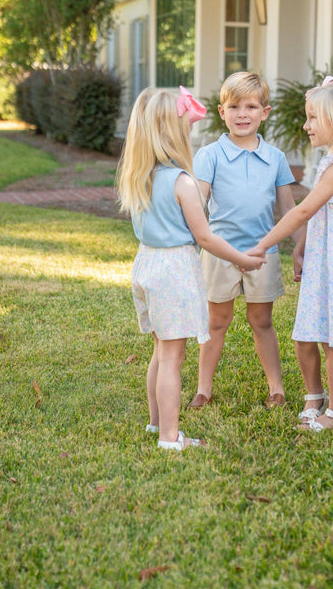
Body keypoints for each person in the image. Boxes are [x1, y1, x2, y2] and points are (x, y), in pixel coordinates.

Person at [117, 87, 265, 452]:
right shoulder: (181, 182)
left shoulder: (140, 176)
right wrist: (242, 260)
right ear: (173, 134)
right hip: (174, 271)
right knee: (172, 357)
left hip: (147, 265)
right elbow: (207, 238)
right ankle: (170, 438)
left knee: (160, 350)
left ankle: (156, 423)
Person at [249, 79, 333, 431]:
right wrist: (301, 247)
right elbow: (321, 217)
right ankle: (315, 395)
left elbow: (303, 211)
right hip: (323, 260)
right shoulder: (330, 160)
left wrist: (264, 244)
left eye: (312, 118)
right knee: (305, 332)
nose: (306, 126)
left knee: (331, 340)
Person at [187, 72, 304, 410]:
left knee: (261, 321)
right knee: (217, 321)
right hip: (220, 252)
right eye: (234, 106)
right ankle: (203, 390)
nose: (242, 114)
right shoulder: (209, 155)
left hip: (262, 252)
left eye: (251, 106)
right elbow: (198, 203)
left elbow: (288, 208)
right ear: (221, 111)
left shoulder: (276, 158)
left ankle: (276, 389)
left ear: (264, 112)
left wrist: (299, 244)